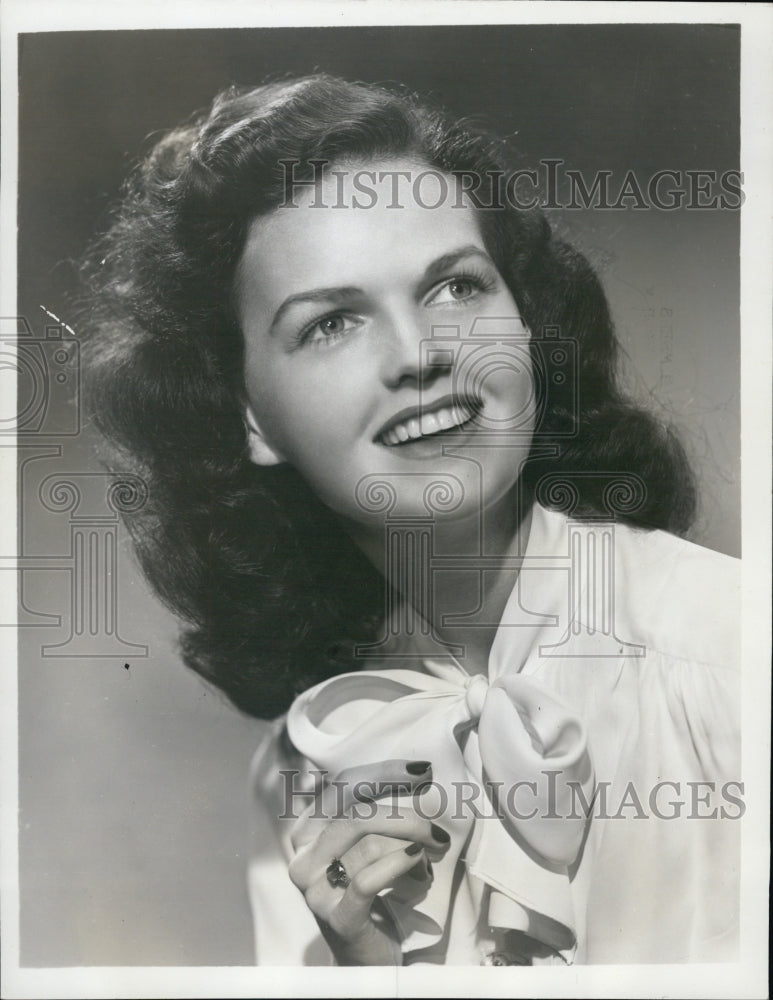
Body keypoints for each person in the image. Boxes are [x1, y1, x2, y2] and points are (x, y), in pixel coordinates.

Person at [81, 74, 740, 966]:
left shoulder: (731, 655)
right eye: (332, 323)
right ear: (248, 418)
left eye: (455, 288)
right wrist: (370, 975)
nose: (420, 354)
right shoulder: (303, 765)